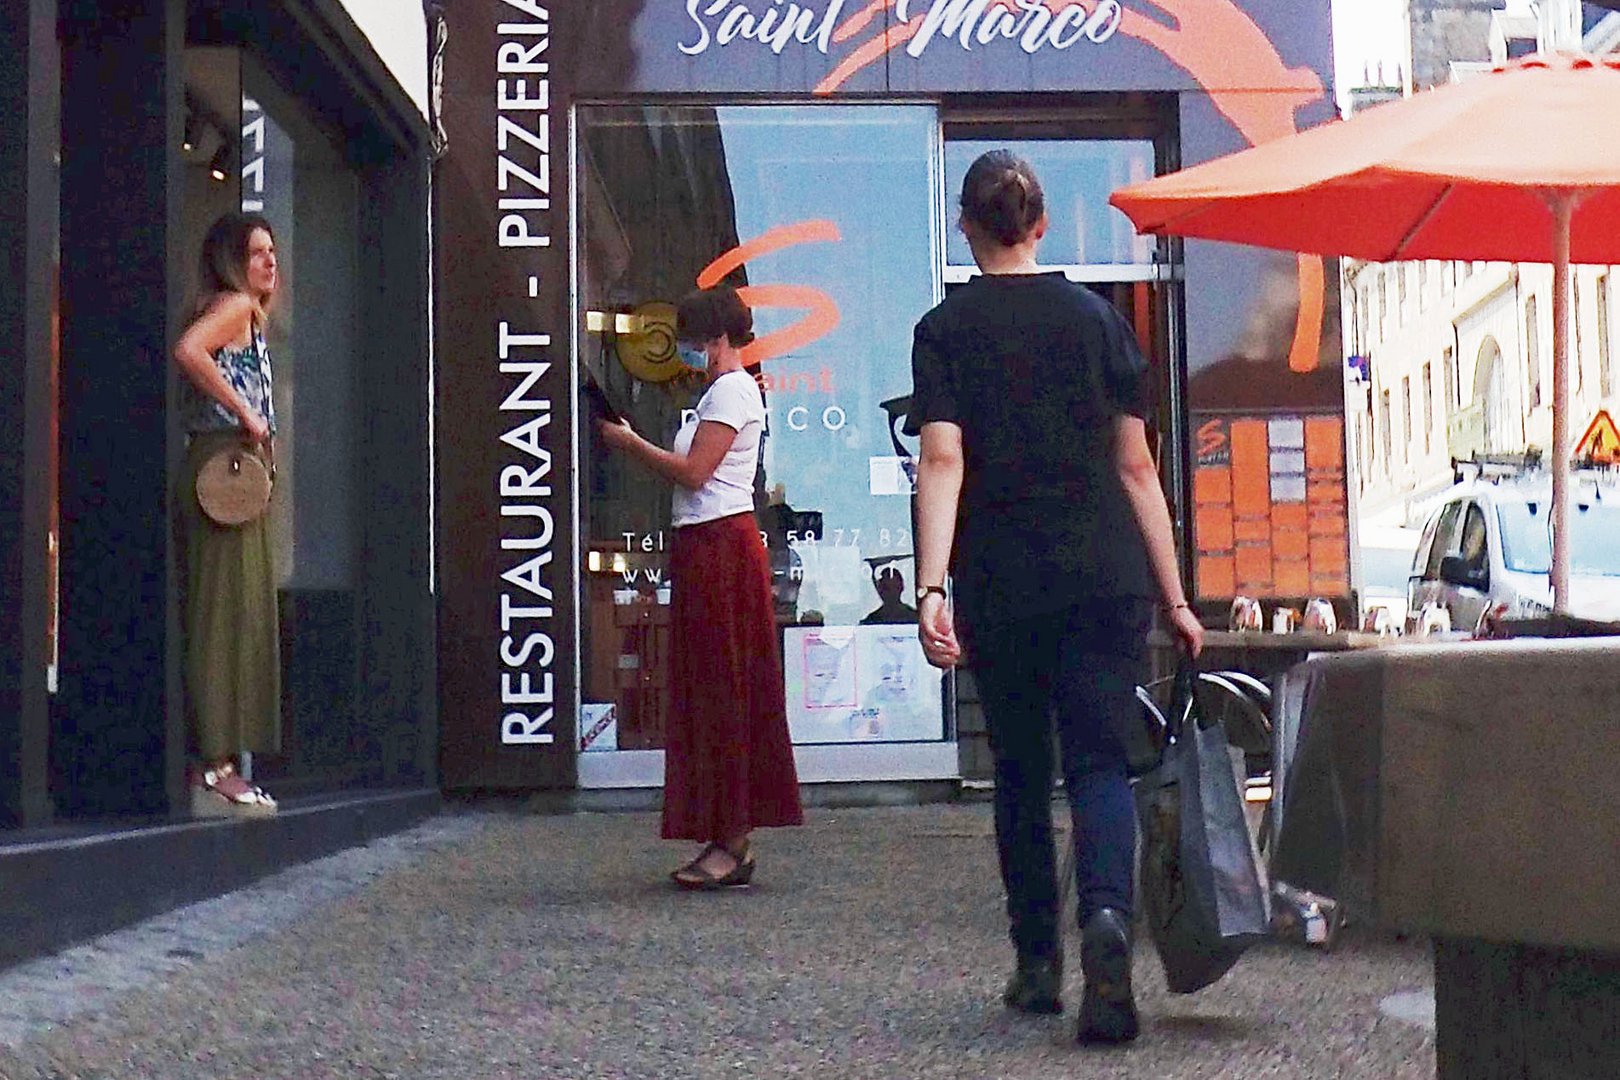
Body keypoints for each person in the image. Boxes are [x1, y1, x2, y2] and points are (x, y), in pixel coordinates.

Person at [907, 150, 1204, 1046]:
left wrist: (930, 586)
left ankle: (1038, 963)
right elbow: (1137, 467)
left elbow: (943, 460)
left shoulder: (944, 329)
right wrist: (1178, 598)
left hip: (1003, 580)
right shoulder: (1100, 323)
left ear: (967, 227)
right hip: (1106, 575)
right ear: (1041, 226)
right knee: (1102, 765)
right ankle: (1107, 920)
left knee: (1022, 774)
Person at [597, 285, 803, 888]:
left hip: (719, 547)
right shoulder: (722, 391)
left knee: (723, 685)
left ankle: (732, 838)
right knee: (711, 685)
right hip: (706, 544)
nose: (684, 350)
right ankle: (724, 831)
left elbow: (695, 472)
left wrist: (632, 444)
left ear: (712, 339)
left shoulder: (733, 390)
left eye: (689, 340)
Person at [172, 211, 283, 818]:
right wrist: (246, 414)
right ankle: (213, 769)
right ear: (231, 260)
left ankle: (218, 765)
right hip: (223, 470)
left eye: (272, 251)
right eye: (257, 252)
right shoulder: (235, 306)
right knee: (223, 620)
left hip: (228, 471)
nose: (270, 262)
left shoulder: (242, 311)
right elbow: (188, 351)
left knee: (227, 616)